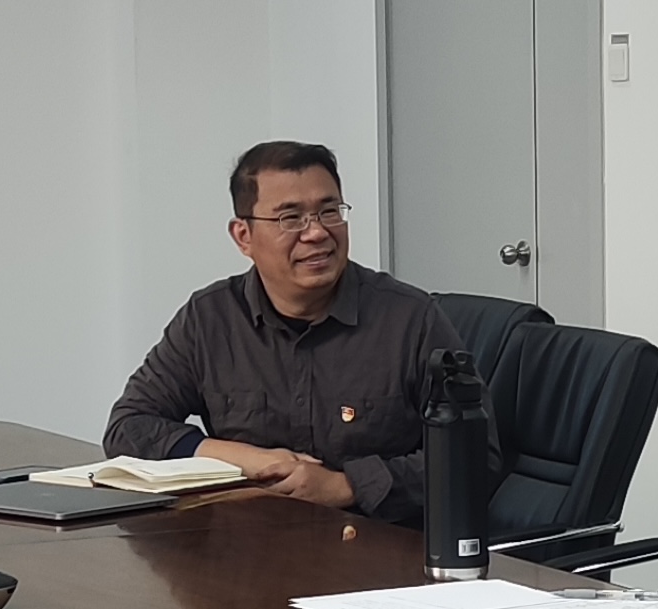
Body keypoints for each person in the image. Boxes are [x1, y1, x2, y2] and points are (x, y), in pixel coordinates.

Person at [103, 140, 501, 524]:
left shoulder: (410, 320)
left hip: (377, 548)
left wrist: (348, 486)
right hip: (248, 546)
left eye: (329, 211)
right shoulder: (211, 319)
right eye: (290, 218)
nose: (316, 233)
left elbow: (476, 456)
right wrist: (246, 458)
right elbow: (128, 426)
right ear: (243, 236)